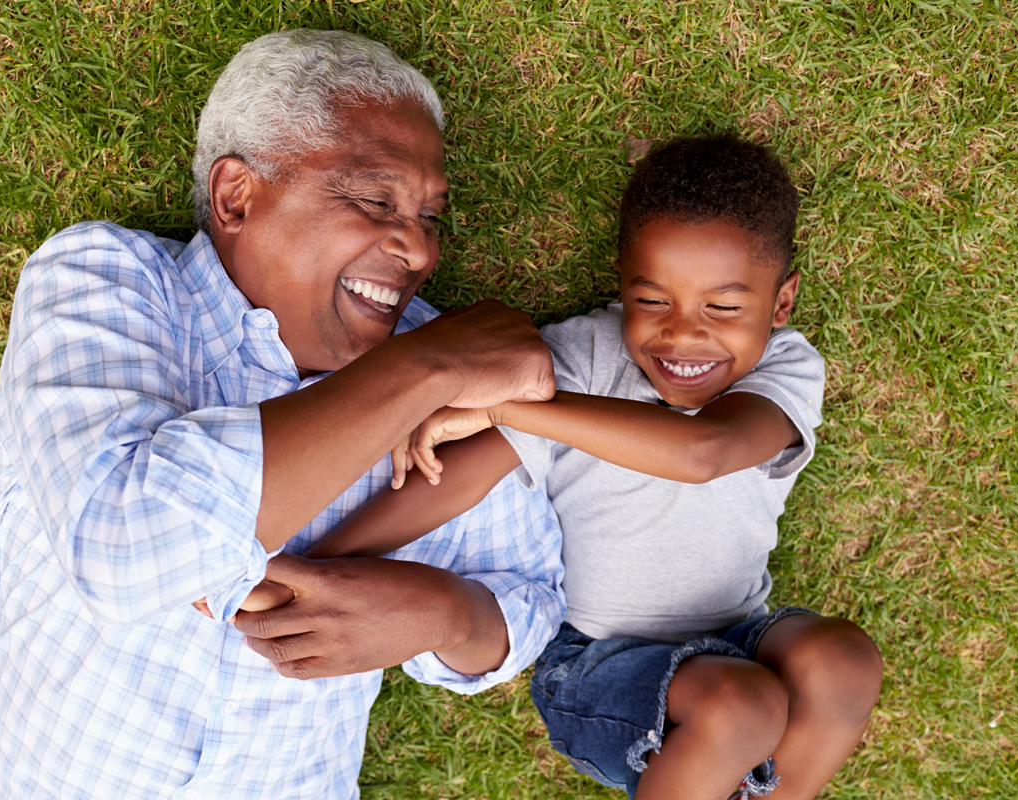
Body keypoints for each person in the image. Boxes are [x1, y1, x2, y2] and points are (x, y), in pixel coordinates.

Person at [0, 29, 565, 799]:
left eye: (429, 217)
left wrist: (442, 613)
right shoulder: (105, 282)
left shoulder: (447, 368)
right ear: (237, 196)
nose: (419, 251)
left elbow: (529, 596)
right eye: (375, 199)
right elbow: (127, 549)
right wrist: (424, 369)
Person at [260, 135, 885, 800]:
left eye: (724, 308)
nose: (682, 336)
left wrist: (511, 407)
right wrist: (318, 564)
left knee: (843, 660)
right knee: (743, 704)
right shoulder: (581, 356)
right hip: (597, 662)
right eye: (652, 301)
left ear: (780, 303)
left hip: (741, 629)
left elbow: (708, 453)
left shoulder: (783, 367)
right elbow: (463, 478)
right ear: (623, 282)